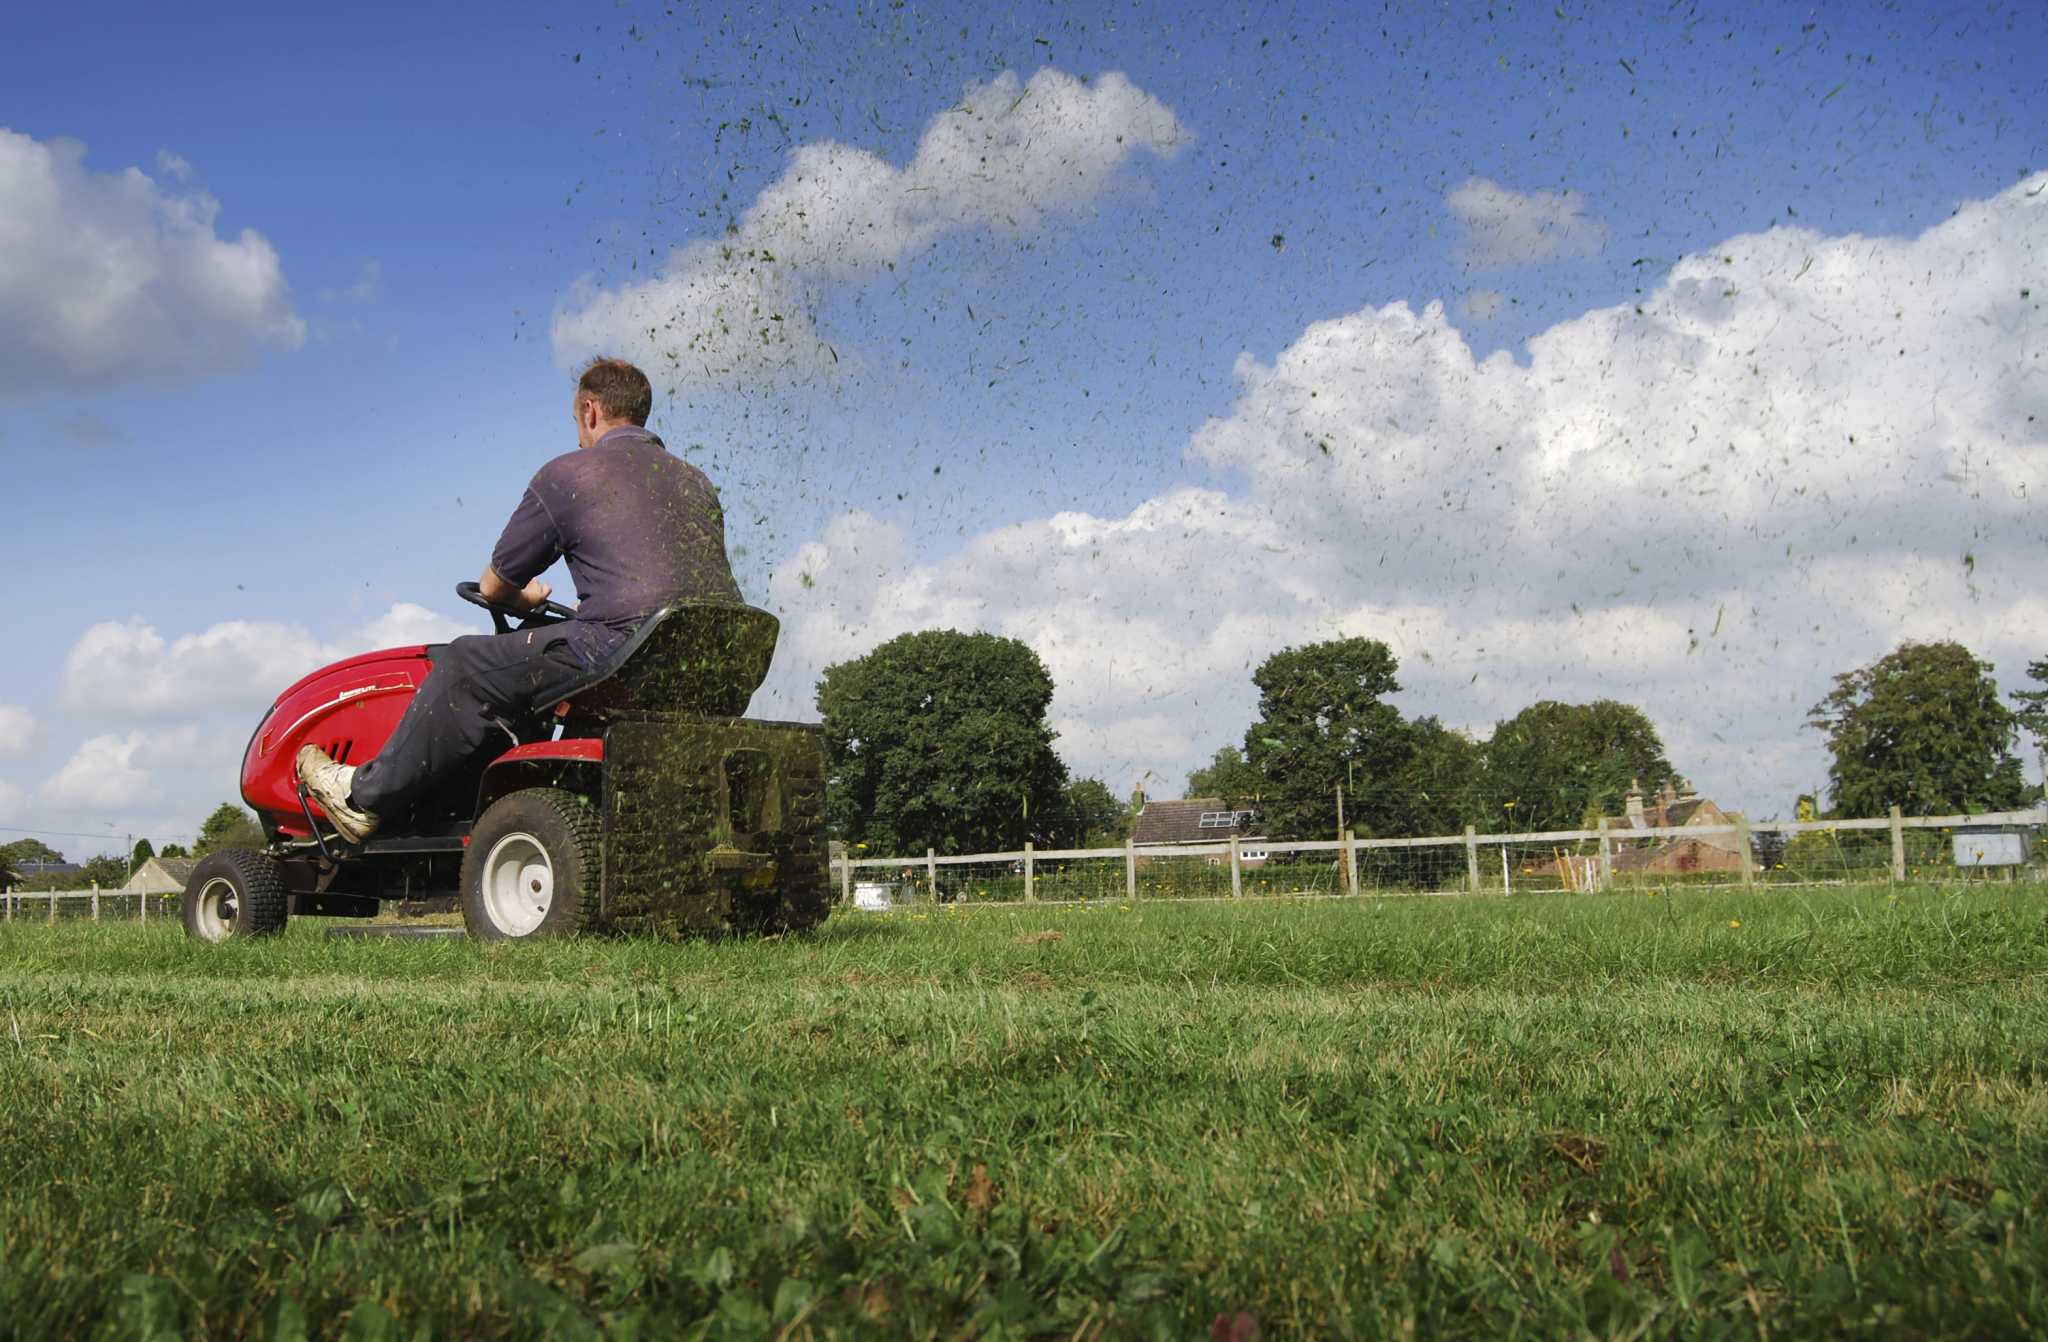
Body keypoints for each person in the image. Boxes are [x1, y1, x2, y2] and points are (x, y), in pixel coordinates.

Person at [295, 357, 741, 842]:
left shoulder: (570, 474)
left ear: (590, 411)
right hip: (713, 658)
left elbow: (493, 587)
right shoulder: (696, 480)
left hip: (625, 650)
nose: (578, 436)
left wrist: (525, 599)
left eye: (577, 423)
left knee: (466, 662)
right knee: (552, 665)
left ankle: (365, 796)